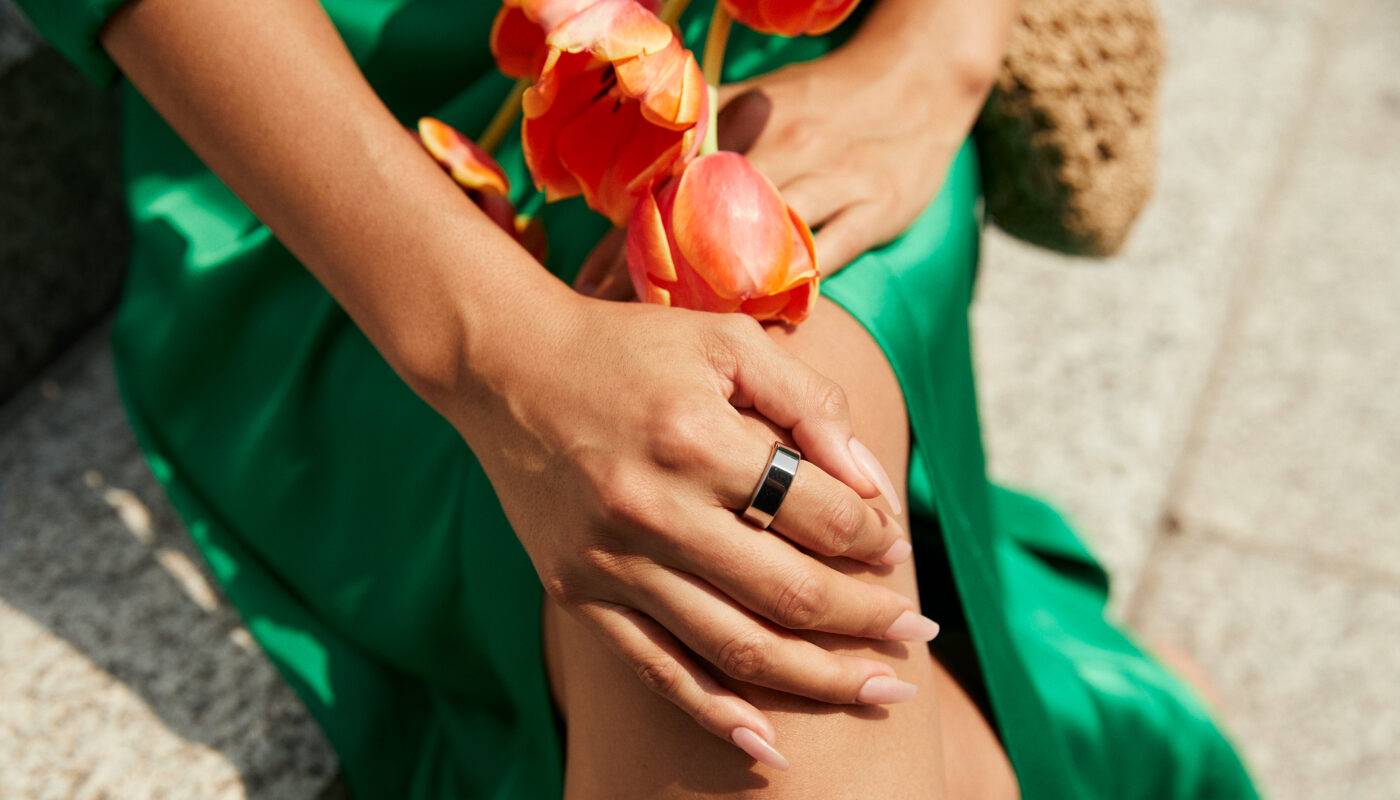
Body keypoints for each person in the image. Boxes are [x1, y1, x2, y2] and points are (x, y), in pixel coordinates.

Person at [17, 0, 1261, 796]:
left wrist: (937, 47)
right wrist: (499, 357)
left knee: (759, 503)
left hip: (776, 74)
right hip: (339, 162)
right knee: (743, 555)